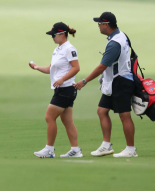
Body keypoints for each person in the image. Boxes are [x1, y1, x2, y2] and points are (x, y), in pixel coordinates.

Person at [74, 12, 138, 158]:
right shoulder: (121, 35)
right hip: (114, 82)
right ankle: (106, 145)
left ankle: (131, 149)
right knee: (102, 111)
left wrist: (84, 81)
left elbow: (102, 67)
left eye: (99, 24)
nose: (98, 26)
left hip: (121, 81)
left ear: (106, 24)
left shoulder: (115, 43)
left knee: (124, 115)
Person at [30, 22, 82, 158]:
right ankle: (75, 150)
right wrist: (37, 68)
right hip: (62, 89)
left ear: (62, 34)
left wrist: (63, 79)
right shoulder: (58, 49)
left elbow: (76, 68)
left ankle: (49, 149)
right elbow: (51, 69)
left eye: (54, 35)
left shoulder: (69, 49)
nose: (52, 37)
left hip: (66, 89)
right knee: (67, 121)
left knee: (49, 117)